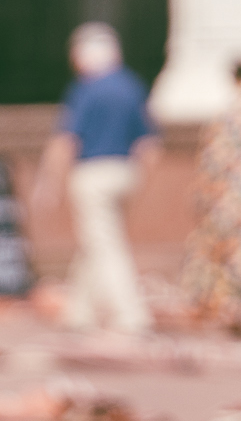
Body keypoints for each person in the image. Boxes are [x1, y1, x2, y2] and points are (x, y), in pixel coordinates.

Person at [33, 22, 159, 334]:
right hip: (126, 171)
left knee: (105, 245)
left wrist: (49, 181)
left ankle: (132, 315)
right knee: (96, 240)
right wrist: (142, 180)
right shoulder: (131, 86)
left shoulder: (87, 90)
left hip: (93, 173)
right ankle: (78, 312)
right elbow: (150, 143)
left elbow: (66, 140)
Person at [183, 59, 241, 333]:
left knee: (231, 253)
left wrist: (204, 192)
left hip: (233, 194)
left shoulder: (227, 113)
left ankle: (238, 310)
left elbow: (216, 159)